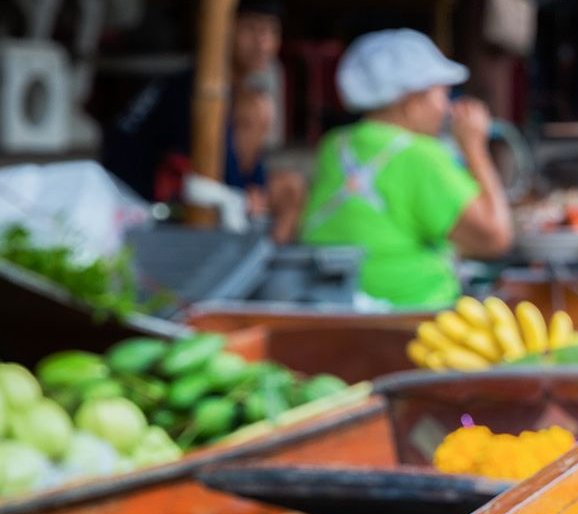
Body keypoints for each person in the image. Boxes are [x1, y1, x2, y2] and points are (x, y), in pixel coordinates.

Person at [298, 29, 513, 309]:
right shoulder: (420, 156)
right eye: (441, 94)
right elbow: (495, 238)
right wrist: (475, 148)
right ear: (412, 100)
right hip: (412, 316)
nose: (447, 108)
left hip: (334, 307)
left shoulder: (334, 145)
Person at [102, 0, 285, 201]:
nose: (263, 43)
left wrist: (254, 189)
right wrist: (241, 195)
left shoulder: (241, 92)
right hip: (141, 199)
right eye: (251, 29)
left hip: (197, 191)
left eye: (271, 31)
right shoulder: (193, 90)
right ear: (222, 30)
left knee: (289, 187)